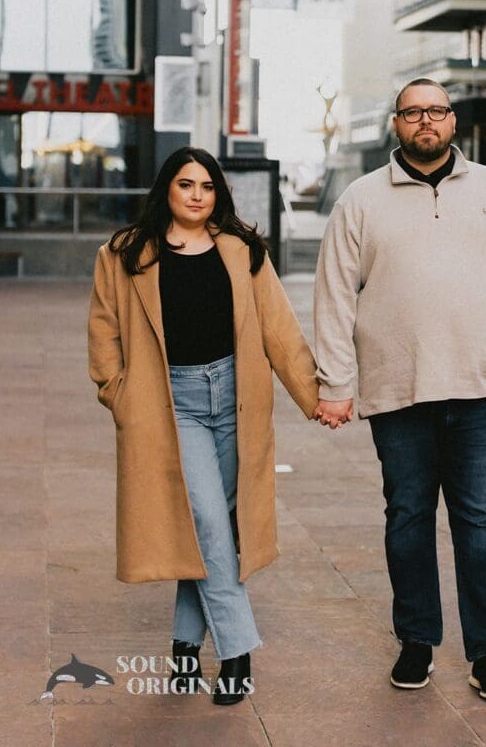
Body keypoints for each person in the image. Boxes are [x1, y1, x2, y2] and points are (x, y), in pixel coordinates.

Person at [313, 78, 486, 703]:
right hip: (398, 392)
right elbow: (334, 299)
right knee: (409, 518)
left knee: (479, 521)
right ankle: (417, 641)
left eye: (437, 111)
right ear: (397, 123)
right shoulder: (361, 201)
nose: (427, 122)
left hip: (483, 390)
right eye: (414, 112)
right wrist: (337, 383)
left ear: (452, 122)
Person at [88, 147, 318, 705]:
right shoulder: (123, 254)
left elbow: (279, 332)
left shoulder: (242, 251)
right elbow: (104, 335)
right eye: (186, 184)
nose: (197, 194)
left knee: (208, 531)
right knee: (213, 527)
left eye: (207, 186)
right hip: (172, 405)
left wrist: (316, 398)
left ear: (219, 193)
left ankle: (186, 652)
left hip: (237, 399)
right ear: (167, 189)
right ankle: (236, 656)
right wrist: (122, 396)